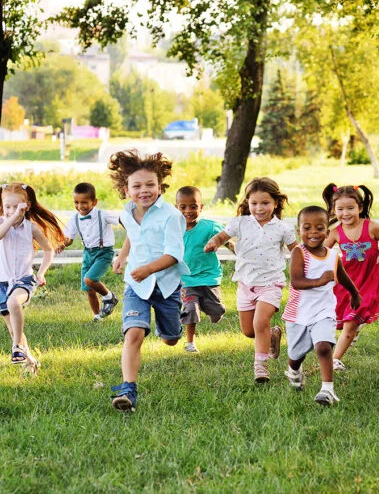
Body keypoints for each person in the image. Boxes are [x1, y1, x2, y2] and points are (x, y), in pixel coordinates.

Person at [109, 150, 190, 412]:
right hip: (136, 285)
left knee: (171, 339)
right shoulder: (127, 211)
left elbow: (174, 255)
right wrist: (122, 256)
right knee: (133, 334)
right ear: (126, 189)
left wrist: (147, 269)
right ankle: (128, 390)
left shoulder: (171, 216)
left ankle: (171, 327)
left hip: (166, 285)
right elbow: (134, 234)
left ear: (160, 186)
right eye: (137, 186)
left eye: (150, 185)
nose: (144, 190)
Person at [204, 177, 297, 383]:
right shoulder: (240, 223)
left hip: (271, 284)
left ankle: (260, 367)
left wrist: (307, 268)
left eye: (265, 203)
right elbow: (222, 236)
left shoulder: (282, 228)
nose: (259, 208)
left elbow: (297, 251)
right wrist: (214, 242)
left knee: (259, 321)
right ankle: (271, 334)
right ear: (247, 203)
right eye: (254, 203)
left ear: (275, 203)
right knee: (249, 331)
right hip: (245, 284)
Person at [283, 206, 361, 405]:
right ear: (299, 231)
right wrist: (319, 281)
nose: (313, 233)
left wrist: (354, 293)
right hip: (298, 313)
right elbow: (297, 282)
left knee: (323, 347)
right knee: (296, 354)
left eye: (319, 228)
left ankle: (327, 390)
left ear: (327, 232)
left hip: (324, 311)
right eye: (307, 228)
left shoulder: (333, 255)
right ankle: (293, 369)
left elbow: (342, 276)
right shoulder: (299, 253)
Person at [322, 184, 379, 371]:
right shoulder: (336, 232)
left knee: (351, 321)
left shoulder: (371, 227)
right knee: (343, 317)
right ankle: (353, 329)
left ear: (360, 208)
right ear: (334, 210)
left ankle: (334, 359)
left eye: (351, 208)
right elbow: (323, 251)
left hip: (369, 280)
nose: (346, 213)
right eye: (340, 209)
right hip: (347, 281)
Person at [0, 182, 66, 373]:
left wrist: (41, 272)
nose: (11, 210)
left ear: (26, 206)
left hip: (24, 279)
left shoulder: (31, 228)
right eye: (7, 207)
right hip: (2, 282)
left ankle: (17, 348)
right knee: (13, 330)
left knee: (14, 303)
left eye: (16, 206)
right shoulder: (2, 223)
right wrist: (11, 217)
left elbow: (48, 249)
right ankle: (30, 361)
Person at [176, 186, 226, 353]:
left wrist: (237, 250)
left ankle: (210, 308)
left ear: (201, 207)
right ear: (177, 207)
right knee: (190, 309)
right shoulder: (174, 230)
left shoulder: (210, 227)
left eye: (193, 206)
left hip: (209, 278)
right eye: (183, 207)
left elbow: (227, 239)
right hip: (187, 279)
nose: (188, 211)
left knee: (216, 311)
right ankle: (190, 343)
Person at [63, 182, 120, 322]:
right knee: (88, 288)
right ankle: (97, 316)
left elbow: (121, 219)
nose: (80, 206)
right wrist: (61, 244)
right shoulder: (75, 218)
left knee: (89, 279)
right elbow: (69, 238)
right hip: (87, 253)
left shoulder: (102, 215)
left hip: (103, 253)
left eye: (84, 202)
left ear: (94, 202)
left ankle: (109, 297)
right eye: (76, 202)